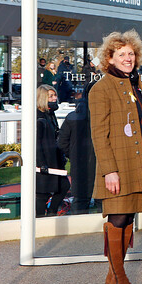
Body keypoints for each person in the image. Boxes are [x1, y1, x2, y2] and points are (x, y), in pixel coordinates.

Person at [90, 30, 142, 284]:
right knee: (118, 218)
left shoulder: (135, 84)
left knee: (128, 216)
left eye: (131, 53)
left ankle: (112, 277)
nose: (128, 58)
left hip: (136, 163)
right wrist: (109, 171)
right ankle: (121, 279)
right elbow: (98, 134)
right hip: (116, 166)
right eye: (121, 54)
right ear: (110, 58)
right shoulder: (101, 88)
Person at [58, 82, 96, 214]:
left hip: (79, 164)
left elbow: (62, 142)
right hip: (99, 165)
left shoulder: (72, 117)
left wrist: (74, 155)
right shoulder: (104, 116)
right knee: (102, 201)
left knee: (80, 201)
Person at [36, 84, 69, 217]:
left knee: (64, 185)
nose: (54, 98)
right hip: (44, 159)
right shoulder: (39, 117)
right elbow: (36, 141)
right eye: (51, 96)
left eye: (55, 95)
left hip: (53, 157)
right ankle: (39, 219)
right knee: (42, 194)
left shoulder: (50, 115)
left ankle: (51, 212)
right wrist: (41, 162)